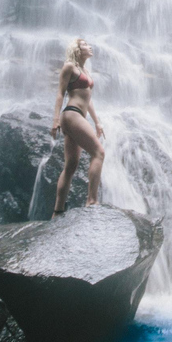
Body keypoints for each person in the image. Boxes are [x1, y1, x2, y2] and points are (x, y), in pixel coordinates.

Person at [50, 38, 105, 218]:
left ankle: (57, 211)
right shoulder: (69, 67)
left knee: (71, 166)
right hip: (71, 114)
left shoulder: (85, 71)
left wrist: (97, 122)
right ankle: (92, 200)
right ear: (77, 49)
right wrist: (55, 120)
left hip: (79, 116)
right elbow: (60, 93)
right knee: (99, 152)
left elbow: (88, 100)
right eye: (85, 44)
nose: (90, 46)